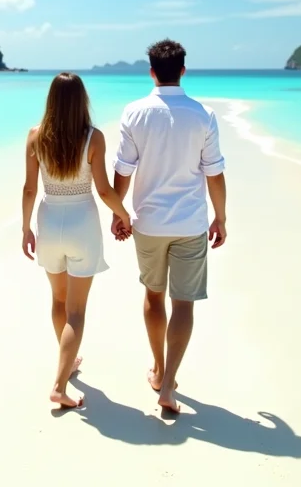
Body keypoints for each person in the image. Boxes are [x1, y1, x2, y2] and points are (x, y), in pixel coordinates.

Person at [111, 39, 227, 414]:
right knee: (184, 303)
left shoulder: (134, 113)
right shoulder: (203, 114)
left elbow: (123, 170)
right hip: (190, 224)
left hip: (148, 223)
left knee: (153, 296)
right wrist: (221, 217)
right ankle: (169, 384)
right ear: (182, 70)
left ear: (151, 72)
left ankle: (159, 370)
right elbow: (214, 173)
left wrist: (119, 211)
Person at [22, 72, 132, 409]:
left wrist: (25, 228)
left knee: (58, 301)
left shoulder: (35, 137)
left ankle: (66, 363)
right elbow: (103, 190)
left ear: (51, 100)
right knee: (77, 311)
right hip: (82, 223)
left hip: (48, 219)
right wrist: (124, 215)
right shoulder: (93, 138)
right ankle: (59, 384)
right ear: (82, 100)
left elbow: (29, 188)